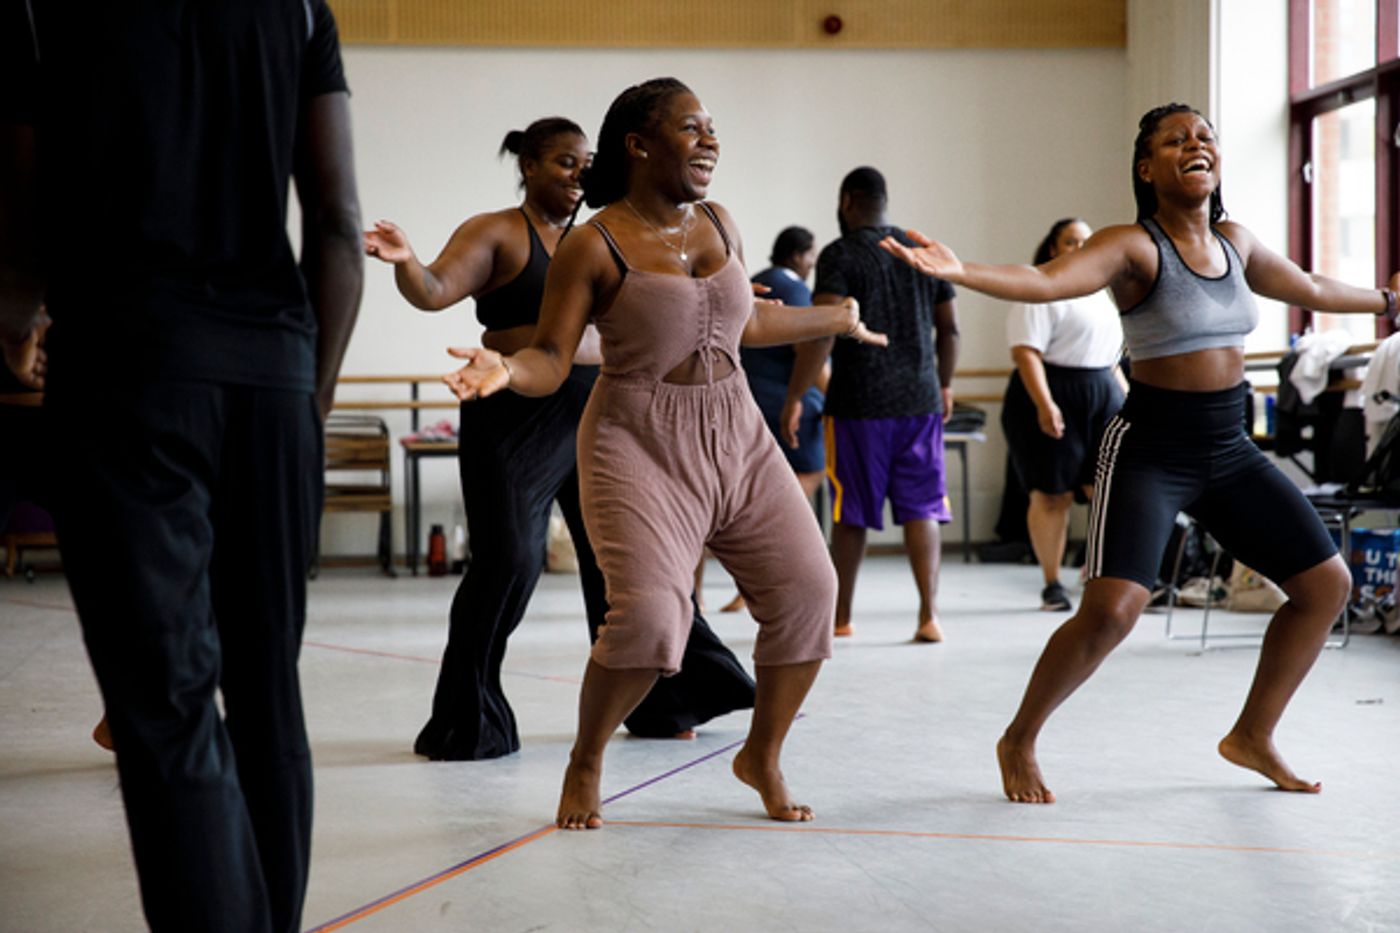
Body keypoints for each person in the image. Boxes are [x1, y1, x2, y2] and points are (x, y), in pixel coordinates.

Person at [882, 102, 1399, 804]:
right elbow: (1044, 281)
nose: (1196, 144)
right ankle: (1020, 737)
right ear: (1146, 166)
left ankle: (1252, 733)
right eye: (1175, 139)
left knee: (1324, 585)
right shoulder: (1134, 247)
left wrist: (1384, 301)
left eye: (1205, 136)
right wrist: (961, 270)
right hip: (1152, 446)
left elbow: (1306, 287)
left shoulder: (1235, 244)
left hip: (1229, 444)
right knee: (1114, 609)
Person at [2, 3, 362, 930]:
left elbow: (24, 207)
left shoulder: (43, 8)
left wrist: (13, 328)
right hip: (276, 380)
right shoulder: (299, 7)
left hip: (130, 373)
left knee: (166, 712)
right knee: (268, 690)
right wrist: (306, 407)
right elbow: (337, 224)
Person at [441, 77, 885, 829]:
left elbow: (744, 326)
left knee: (810, 594)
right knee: (649, 622)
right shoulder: (596, 240)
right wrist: (506, 369)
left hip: (736, 428)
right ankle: (586, 759)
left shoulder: (718, 221)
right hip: (636, 438)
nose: (710, 140)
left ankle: (762, 755)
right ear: (639, 145)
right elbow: (552, 352)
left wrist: (833, 318)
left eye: (712, 127)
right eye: (691, 127)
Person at [365, 119, 755, 759]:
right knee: (509, 564)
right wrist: (407, 260)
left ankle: (667, 699)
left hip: (601, 411)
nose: (578, 176)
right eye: (564, 164)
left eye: (585, 164)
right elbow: (434, 291)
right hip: (515, 414)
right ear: (528, 167)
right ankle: (468, 718)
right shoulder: (496, 232)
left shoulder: (602, 235)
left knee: (626, 563)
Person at [783, 167, 960, 642]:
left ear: (847, 201)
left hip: (859, 406)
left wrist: (797, 395)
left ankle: (840, 619)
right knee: (923, 509)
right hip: (920, 401)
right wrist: (943, 385)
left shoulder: (841, 254)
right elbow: (950, 328)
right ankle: (929, 616)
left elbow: (823, 328)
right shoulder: (920, 249)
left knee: (851, 513)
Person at [698, 226, 826, 614]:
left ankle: (697, 596)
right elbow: (812, 345)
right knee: (798, 485)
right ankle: (751, 582)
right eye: (810, 259)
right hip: (787, 405)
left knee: (720, 503)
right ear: (797, 256)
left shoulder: (754, 282)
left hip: (743, 402)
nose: (811, 266)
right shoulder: (792, 286)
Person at [1001, 218, 1125, 612]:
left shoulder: (1102, 295)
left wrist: (1131, 400)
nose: (1080, 247)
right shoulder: (1039, 289)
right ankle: (1052, 583)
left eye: (1086, 241)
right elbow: (1025, 352)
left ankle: (1100, 573)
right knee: (1052, 495)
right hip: (1050, 390)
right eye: (1071, 241)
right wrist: (1044, 403)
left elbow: (1111, 360)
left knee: (1106, 490)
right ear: (1054, 248)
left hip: (1100, 391)